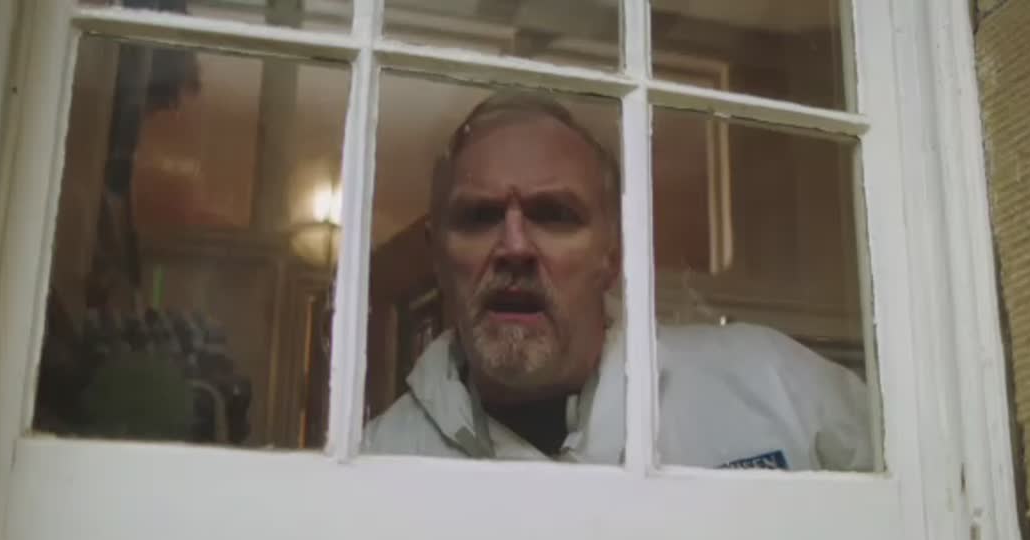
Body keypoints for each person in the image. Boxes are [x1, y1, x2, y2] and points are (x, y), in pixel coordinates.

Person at [363, 92, 872, 471]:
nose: (514, 247)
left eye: (554, 214)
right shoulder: (374, 461)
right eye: (479, 216)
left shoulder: (774, 385)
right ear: (436, 255)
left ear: (613, 255)